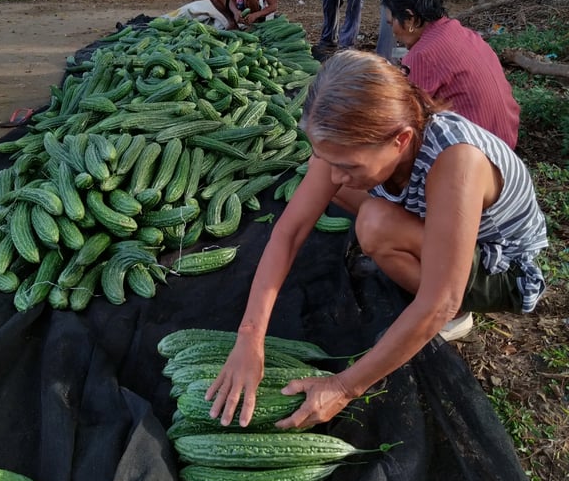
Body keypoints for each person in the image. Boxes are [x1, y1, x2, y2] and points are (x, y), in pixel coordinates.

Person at [206, 51, 547, 431]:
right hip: (439, 222)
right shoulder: (358, 142)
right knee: (329, 187)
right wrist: (250, 336)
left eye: (349, 165)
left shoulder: (457, 161)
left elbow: (439, 301)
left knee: (374, 224)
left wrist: (344, 386)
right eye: (330, 159)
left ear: (401, 140)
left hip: (500, 268)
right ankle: (414, 256)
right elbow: (290, 232)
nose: (337, 174)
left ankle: (459, 318)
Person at [382, 0, 520, 148]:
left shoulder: (423, 54)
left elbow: (404, 116)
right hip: (505, 143)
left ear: (410, 19)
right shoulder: (462, 33)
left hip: (475, 151)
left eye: (391, 24)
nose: (393, 32)